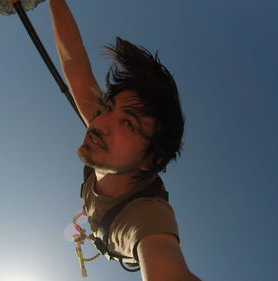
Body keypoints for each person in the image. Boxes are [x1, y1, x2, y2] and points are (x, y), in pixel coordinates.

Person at [48, 1, 200, 280]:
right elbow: (74, 63)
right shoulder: (105, 135)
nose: (99, 123)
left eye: (128, 123)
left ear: (150, 161)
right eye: (107, 108)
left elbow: (164, 261)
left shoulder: (146, 217)